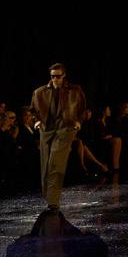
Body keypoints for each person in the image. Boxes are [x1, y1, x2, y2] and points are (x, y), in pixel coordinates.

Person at [30, 63, 87, 209]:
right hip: (46, 131)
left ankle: (53, 200)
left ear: (64, 75)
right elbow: (33, 110)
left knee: (56, 163)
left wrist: (78, 122)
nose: (55, 79)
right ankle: (48, 196)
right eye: (52, 76)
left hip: (65, 129)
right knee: (46, 165)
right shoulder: (40, 92)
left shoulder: (75, 90)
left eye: (58, 76)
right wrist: (36, 121)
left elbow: (82, 108)